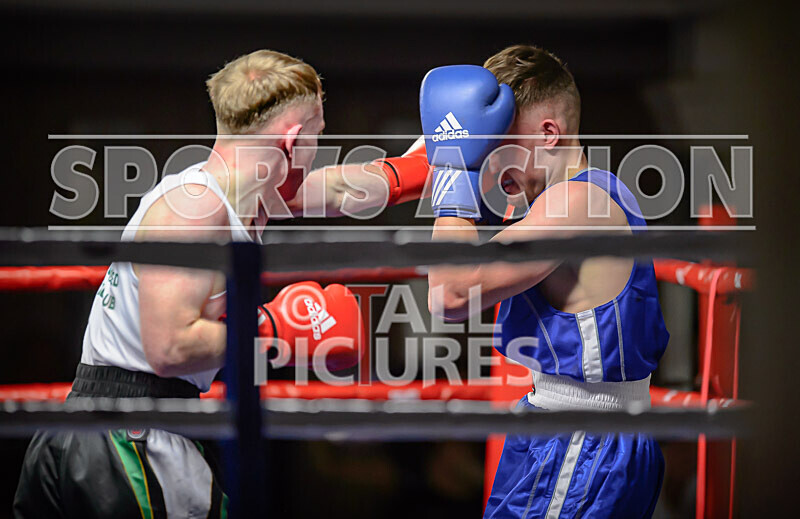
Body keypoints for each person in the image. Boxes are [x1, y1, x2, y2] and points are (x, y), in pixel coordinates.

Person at [13, 49, 429, 518]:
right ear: (293, 141)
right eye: (319, 134)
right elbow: (169, 347)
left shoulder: (244, 195)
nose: (318, 149)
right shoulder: (196, 212)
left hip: (114, 427)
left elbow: (340, 189)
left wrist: (428, 164)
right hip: (131, 438)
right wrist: (281, 330)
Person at [422, 45, 669, 518]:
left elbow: (449, 295)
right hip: (580, 433)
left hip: (580, 442)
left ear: (548, 133)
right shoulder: (584, 193)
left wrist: (454, 171)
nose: (489, 158)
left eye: (499, 140)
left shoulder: (573, 205)